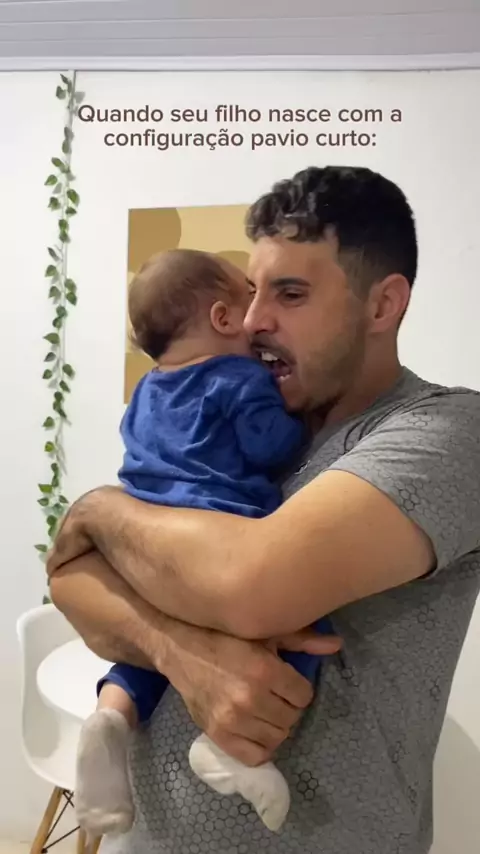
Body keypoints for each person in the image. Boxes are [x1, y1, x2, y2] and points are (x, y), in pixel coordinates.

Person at [48, 165, 480, 854]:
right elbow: (70, 579)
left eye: (291, 293)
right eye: (253, 293)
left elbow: (251, 588)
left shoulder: (446, 431)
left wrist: (99, 509)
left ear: (382, 305)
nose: (253, 320)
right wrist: (179, 654)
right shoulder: (248, 427)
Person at [75, 247, 332, 837]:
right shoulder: (239, 378)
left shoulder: (146, 391)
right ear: (223, 318)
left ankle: (111, 716)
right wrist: (301, 421)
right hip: (221, 535)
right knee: (307, 627)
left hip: (145, 543)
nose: (259, 321)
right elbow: (269, 447)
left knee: (158, 644)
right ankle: (233, 749)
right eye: (249, 300)